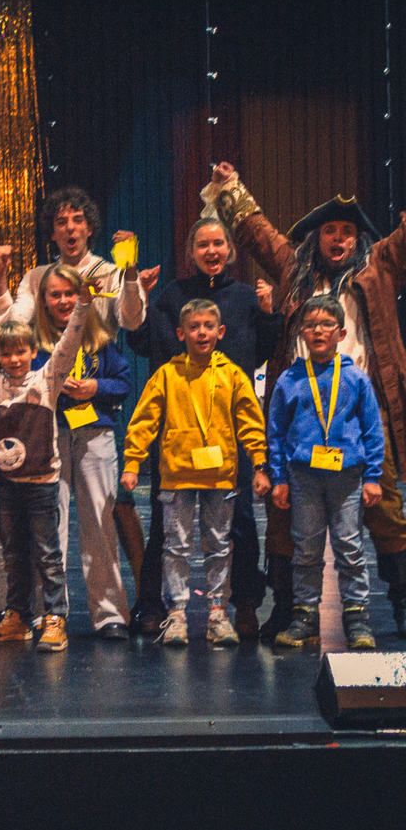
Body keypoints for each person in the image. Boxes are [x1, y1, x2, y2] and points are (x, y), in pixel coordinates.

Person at [203, 162, 406, 638]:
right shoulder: (294, 269)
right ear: (317, 237)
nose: (339, 240)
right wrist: (231, 187)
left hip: (361, 409)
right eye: (330, 231)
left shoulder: (377, 269)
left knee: (386, 507)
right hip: (300, 412)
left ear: (359, 239)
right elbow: (259, 234)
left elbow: (400, 245)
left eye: (347, 232)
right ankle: (292, 611)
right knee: (285, 508)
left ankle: (401, 605)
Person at [125, 218, 282, 636]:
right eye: (202, 244)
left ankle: (243, 605)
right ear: (191, 250)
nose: (211, 251)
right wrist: (138, 294)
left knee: (240, 525)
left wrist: (268, 315)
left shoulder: (247, 297)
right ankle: (155, 605)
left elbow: (264, 352)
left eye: (218, 243)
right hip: (178, 435)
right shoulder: (172, 295)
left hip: (229, 441)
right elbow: (142, 343)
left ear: (230, 249)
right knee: (166, 529)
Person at [0, 278, 90, 652]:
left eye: (21, 351)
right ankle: (17, 615)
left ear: (34, 351)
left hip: (41, 484)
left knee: (47, 554)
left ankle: (54, 618)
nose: (13, 359)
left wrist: (82, 306)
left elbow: (69, 344)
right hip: (7, 485)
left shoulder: (47, 380)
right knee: (13, 554)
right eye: (6, 354)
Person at [267, 296, 384, 650]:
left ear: (341, 331)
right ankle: (304, 615)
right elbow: (274, 432)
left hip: (347, 478)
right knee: (306, 549)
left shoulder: (355, 378)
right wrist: (280, 478)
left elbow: (372, 429)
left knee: (350, 547)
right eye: (311, 325)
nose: (318, 331)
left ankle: (357, 617)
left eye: (326, 324)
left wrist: (374, 475)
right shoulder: (289, 379)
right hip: (303, 477)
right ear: (301, 333)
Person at [25, 263, 133, 639]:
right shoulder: (34, 341)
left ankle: (110, 614)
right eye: (55, 294)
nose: (63, 300)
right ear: (44, 300)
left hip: (94, 433)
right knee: (49, 527)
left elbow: (122, 383)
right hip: (49, 435)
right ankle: (48, 613)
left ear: (81, 295)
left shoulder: (99, 336)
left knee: (100, 524)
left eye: (70, 293)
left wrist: (95, 388)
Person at [0, 187, 158, 336]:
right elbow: (14, 327)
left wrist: (130, 270)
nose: (70, 228)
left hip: (98, 365)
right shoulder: (36, 278)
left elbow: (131, 321)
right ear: (52, 233)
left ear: (89, 229)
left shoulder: (111, 274)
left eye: (78, 220)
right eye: (61, 222)